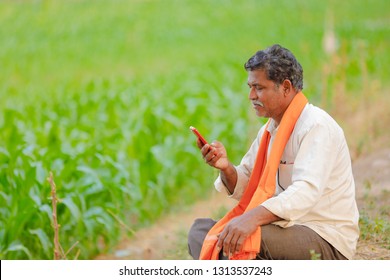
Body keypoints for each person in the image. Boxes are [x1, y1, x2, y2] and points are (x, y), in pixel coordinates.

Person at [187, 44, 359, 260]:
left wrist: (252, 218)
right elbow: (250, 186)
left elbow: (305, 192)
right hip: (281, 229)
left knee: (246, 239)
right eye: (250, 87)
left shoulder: (317, 126)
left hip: (324, 236)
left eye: (259, 88)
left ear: (286, 87)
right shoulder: (269, 131)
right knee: (201, 231)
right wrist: (226, 168)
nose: (251, 95)